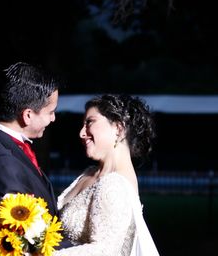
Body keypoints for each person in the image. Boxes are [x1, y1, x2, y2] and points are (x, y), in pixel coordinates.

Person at [0, 62, 62, 255]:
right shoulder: (2, 160)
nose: (53, 119)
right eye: (51, 112)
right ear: (27, 115)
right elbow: (23, 241)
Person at [54, 94, 160, 256]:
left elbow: (104, 251)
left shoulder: (115, 184)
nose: (82, 133)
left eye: (90, 122)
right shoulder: (89, 173)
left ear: (118, 128)